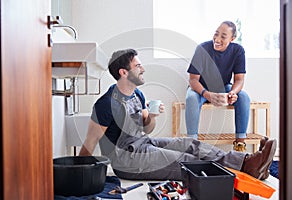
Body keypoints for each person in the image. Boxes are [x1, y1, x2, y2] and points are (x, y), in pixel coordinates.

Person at [79, 48, 276, 181]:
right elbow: (89, 143)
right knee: (182, 159)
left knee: (189, 144)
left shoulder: (137, 93)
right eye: (138, 66)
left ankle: (245, 162)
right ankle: (245, 170)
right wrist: (80, 176)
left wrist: (152, 118)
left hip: (144, 144)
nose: (143, 69)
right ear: (123, 72)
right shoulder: (105, 104)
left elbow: (147, 128)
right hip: (127, 161)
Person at [185, 21, 250, 152]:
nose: (217, 39)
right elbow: (193, 80)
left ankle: (240, 145)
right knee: (191, 98)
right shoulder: (202, 48)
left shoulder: (238, 51)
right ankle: (192, 145)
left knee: (243, 97)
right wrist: (207, 94)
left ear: (232, 39)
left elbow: (239, 80)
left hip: (224, 87)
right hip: (200, 88)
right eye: (216, 34)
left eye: (223, 36)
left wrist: (233, 93)